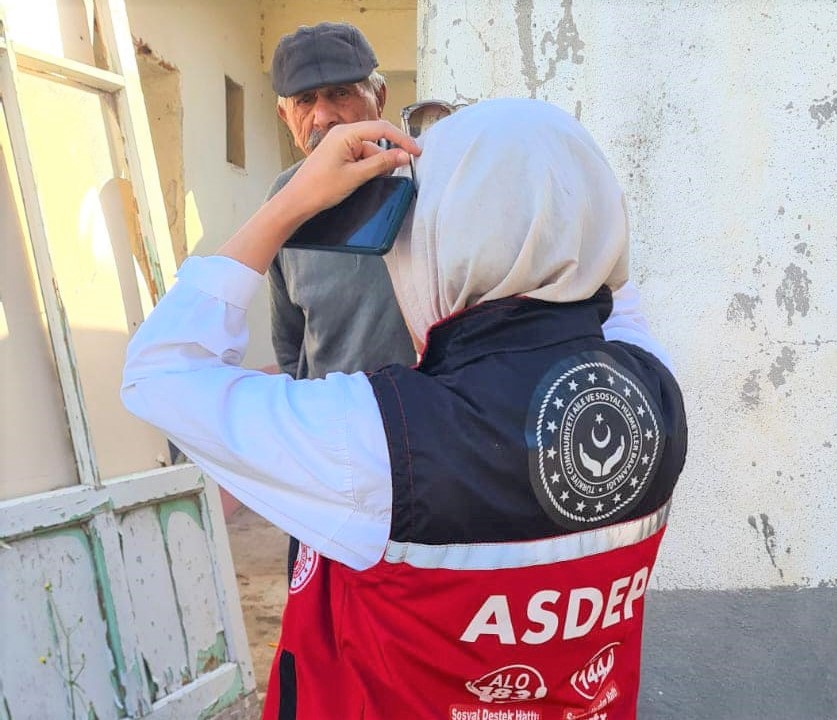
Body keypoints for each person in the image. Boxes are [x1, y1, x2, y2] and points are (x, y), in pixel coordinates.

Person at [123, 99, 687, 719]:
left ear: (438, 241)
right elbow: (611, 288)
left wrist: (289, 204)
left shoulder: (380, 443)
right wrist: (557, 189)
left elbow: (162, 371)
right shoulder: (655, 397)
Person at [266, 22, 417, 582]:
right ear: (286, 116)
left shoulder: (422, 181)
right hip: (329, 468)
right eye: (305, 101)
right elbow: (291, 347)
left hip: (425, 458)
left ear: (379, 97)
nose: (324, 117)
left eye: (340, 94)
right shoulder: (283, 203)